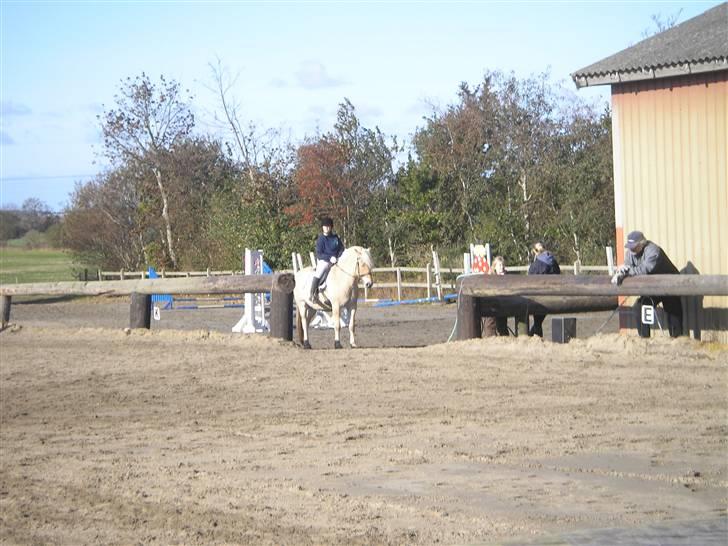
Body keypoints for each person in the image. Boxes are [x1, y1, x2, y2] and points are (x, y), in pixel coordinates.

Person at [611, 230, 683, 337]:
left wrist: (628, 271)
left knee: (673, 312)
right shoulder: (630, 253)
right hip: (653, 287)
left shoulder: (653, 251)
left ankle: (678, 340)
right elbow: (628, 267)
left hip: (670, 285)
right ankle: (645, 340)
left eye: (634, 247)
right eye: (630, 247)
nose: (631, 249)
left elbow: (645, 269)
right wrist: (621, 273)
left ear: (642, 244)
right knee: (639, 307)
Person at [527, 242, 560, 337]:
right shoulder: (553, 262)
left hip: (538, 296)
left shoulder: (536, 265)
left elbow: (530, 280)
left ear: (534, 251)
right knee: (538, 322)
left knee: (537, 322)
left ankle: (534, 337)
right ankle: (533, 336)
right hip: (553, 294)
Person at [310, 217, 345, 301]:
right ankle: (313, 293)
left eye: (328, 226)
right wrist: (330, 258)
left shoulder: (335, 238)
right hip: (324, 260)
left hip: (336, 260)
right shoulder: (321, 239)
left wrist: (337, 257)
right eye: (325, 226)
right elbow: (319, 254)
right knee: (320, 271)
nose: (327, 228)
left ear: (331, 227)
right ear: (322, 227)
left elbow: (341, 249)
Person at [483, 256, 510, 337]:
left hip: (503, 304)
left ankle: (505, 339)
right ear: (495, 267)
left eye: (502, 265)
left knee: (502, 324)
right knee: (490, 323)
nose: (501, 267)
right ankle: (490, 339)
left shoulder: (507, 276)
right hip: (490, 304)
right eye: (499, 265)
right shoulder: (490, 277)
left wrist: (504, 278)